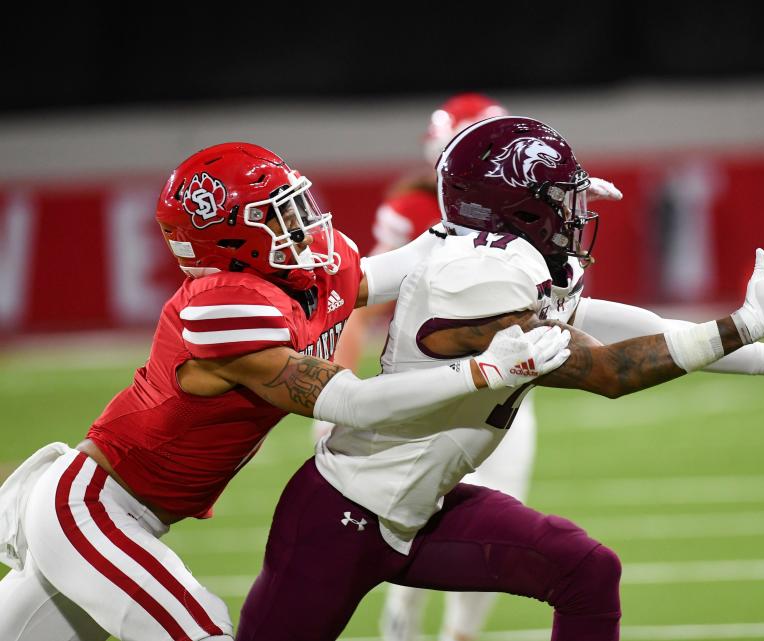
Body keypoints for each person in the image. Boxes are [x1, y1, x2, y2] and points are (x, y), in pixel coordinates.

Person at [237, 117, 764, 641]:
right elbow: (606, 370)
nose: (576, 213)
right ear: (514, 209)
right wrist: (741, 326)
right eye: (559, 199)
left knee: (586, 569)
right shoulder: (471, 279)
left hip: (419, 509)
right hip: (342, 517)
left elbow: (631, 325)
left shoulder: (491, 255)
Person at [0, 142, 570, 641]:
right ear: (229, 239)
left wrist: (516, 211)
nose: (302, 225)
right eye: (277, 215)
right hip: (94, 507)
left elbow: (414, 261)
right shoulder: (225, 308)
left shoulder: (301, 277)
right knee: (198, 628)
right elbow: (351, 401)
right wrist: (482, 372)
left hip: (126, 510)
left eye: (296, 206)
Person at [329, 93, 622, 641]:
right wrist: (335, 390)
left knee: (501, 519)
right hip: (433, 391)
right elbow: (358, 303)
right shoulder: (418, 212)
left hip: (506, 390)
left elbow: (563, 301)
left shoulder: (532, 211)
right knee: (411, 516)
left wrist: (564, 206)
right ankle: (402, 626)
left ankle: (459, 636)